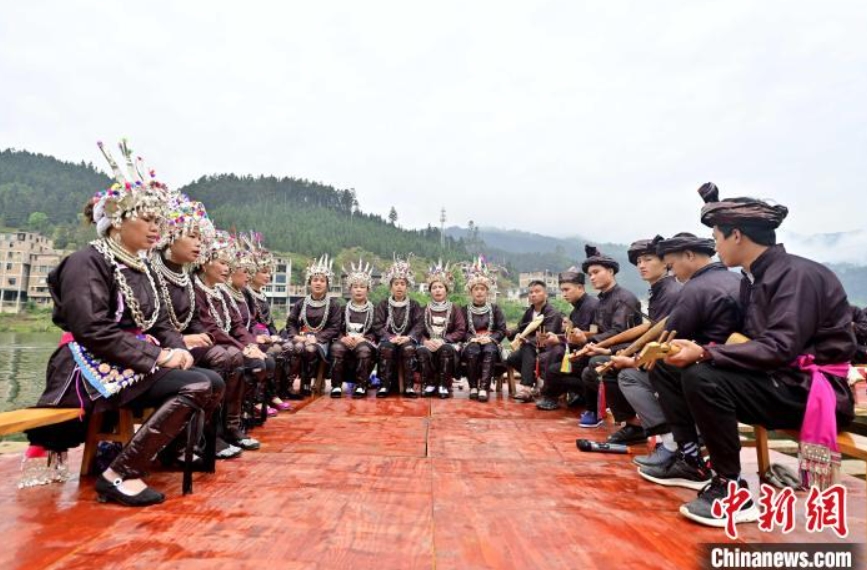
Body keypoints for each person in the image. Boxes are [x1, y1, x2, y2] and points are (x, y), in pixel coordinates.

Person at [26, 140, 223, 506]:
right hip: (90, 362)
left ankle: (160, 451)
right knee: (195, 386)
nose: (155, 230)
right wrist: (157, 358)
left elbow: (162, 322)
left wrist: (178, 350)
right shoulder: (86, 262)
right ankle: (119, 475)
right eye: (147, 220)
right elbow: (92, 329)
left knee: (211, 380)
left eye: (159, 223)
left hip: (127, 358)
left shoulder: (143, 267)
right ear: (117, 221)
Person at [651, 183, 856, 528]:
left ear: (736, 236)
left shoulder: (795, 274)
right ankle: (691, 459)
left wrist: (705, 354)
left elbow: (779, 347)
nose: (715, 247)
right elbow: (744, 340)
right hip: (780, 378)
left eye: (716, 237)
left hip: (809, 389)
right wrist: (693, 349)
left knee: (703, 375)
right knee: (668, 368)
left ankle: (732, 489)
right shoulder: (752, 278)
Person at [151, 192, 243, 460]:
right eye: (192, 237)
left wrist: (192, 337)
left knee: (230, 356)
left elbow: (194, 321)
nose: (199, 245)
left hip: (179, 344)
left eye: (201, 240)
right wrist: (182, 341)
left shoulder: (183, 277)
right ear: (170, 235)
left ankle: (216, 432)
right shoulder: (151, 271)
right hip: (160, 348)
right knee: (220, 357)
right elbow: (151, 322)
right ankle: (196, 439)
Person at [598, 237, 681, 444]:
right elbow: (651, 329)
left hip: (671, 358)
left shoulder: (670, 292)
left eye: (647, 259)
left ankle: (665, 436)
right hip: (657, 351)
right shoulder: (659, 290)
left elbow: (665, 336)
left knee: (620, 372)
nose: (641, 265)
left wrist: (634, 360)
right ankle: (634, 424)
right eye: (638, 262)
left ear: (665, 262)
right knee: (607, 365)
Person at [194, 230, 265, 452]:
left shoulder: (221, 293)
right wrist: (243, 348)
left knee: (255, 360)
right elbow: (210, 327)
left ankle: (232, 426)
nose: (227, 269)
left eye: (229, 264)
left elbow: (237, 325)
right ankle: (211, 433)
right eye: (223, 263)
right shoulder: (195, 289)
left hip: (226, 344)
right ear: (205, 263)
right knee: (233, 356)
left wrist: (251, 345)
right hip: (205, 344)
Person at [573, 245, 642, 427]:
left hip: (626, 346)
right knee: (573, 361)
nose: (592, 277)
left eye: (596, 272)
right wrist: (583, 337)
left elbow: (620, 332)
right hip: (605, 344)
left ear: (610, 271)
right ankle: (594, 408)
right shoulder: (602, 299)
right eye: (590, 274)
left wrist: (590, 342)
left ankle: (627, 416)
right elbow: (597, 330)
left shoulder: (624, 298)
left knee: (593, 364)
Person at [536, 267, 599, 410]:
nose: (563, 294)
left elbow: (591, 333)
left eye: (567, 289)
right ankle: (577, 394)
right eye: (562, 290)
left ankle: (552, 397)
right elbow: (571, 335)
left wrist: (560, 340)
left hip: (589, 355)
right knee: (555, 354)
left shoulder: (591, 306)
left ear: (580, 287)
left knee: (553, 369)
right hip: (578, 353)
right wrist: (557, 337)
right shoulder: (576, 309)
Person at [281, 255, 342, 397]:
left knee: (310, 349)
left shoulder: (333, 305)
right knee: (294, 347)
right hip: (301, 338)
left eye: (322, 280)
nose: (318, 283)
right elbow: (291, 322)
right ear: (310, 283)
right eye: (315, 280)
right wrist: (296, 336)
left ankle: (306, 383)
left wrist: (317, 338)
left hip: (321, 341)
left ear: (327, 284)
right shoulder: (301, 303)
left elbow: (335, 327)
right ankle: (288, 385)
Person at [242, 232, 290, 411]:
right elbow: (249, 322)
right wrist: (261, 337)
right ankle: (260, 397)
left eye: (270, 272)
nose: (268, 276)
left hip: (264, 336)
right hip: (252, 337)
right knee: (273, 352)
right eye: (264, 272)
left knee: (285, 347)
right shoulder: (246, 293)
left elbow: (267, 322)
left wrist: (275, 335)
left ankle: (273, 394)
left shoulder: (262, 294)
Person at [373, 256, 425, 398]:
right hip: (388, 339)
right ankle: (384, 386)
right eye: (396, 283)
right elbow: (377, 325)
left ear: (407, 286)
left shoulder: (414, 305)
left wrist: (408, 337)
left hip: (407, 339)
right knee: (386, 348)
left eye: (402, 283)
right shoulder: (383, 305)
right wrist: (390, 337)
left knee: (408, 348)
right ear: (391, 286)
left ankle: (409, 386)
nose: (399, 286)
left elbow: (419, 325)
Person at [506, 280, 563, 403]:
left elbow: (546, 336)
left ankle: (526, 389)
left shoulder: (552, 313)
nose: (533, 294)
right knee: (511, 358)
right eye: (531, 292)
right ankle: (535, 381)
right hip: (531, 347)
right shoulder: (529, 311)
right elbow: (522, 327)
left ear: (546, 294)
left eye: (537, 291)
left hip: (547, 348)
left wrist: (526, 339)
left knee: (526, 347)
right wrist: (510, 333)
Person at [461, 258, 508, 402]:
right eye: (476, 289)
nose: (479, 292)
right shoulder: (464, 310)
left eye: (482, 289)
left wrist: (490, 338)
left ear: (487, 291)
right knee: (473, 350)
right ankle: (473, 386)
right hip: (472, 341)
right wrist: (472, 338)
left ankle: (484, 388)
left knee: (490, 350)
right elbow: (461, 330)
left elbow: (501, 329)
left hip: (490, 341)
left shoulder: (495, 309)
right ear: (471, 292)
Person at [330, 259, 378, 398]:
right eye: (355, 287)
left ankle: (361, 386)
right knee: (336, 348)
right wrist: (343, 338)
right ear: (350, 289)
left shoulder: (373, 311)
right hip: (346, 340)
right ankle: (336, 386)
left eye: (362, 287)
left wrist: (364, 339)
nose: (358, 290)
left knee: (363, 349)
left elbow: (376, 331)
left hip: (364, 342)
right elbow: (336, 328)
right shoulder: (342, 309)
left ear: (368, 289)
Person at [418, 261, 466, 398]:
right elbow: (418, 330)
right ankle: (429, 383)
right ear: (430, 291)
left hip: (447, 343)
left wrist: (444, 340)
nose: (437, 290)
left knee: (446, 349)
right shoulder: (424, 309)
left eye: (440, 287)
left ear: (446, 290)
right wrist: (425, 341)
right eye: (434, 287)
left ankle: (443, 385)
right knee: (422, 350)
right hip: (429, 343)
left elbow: (460, 330)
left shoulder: (454, 308)